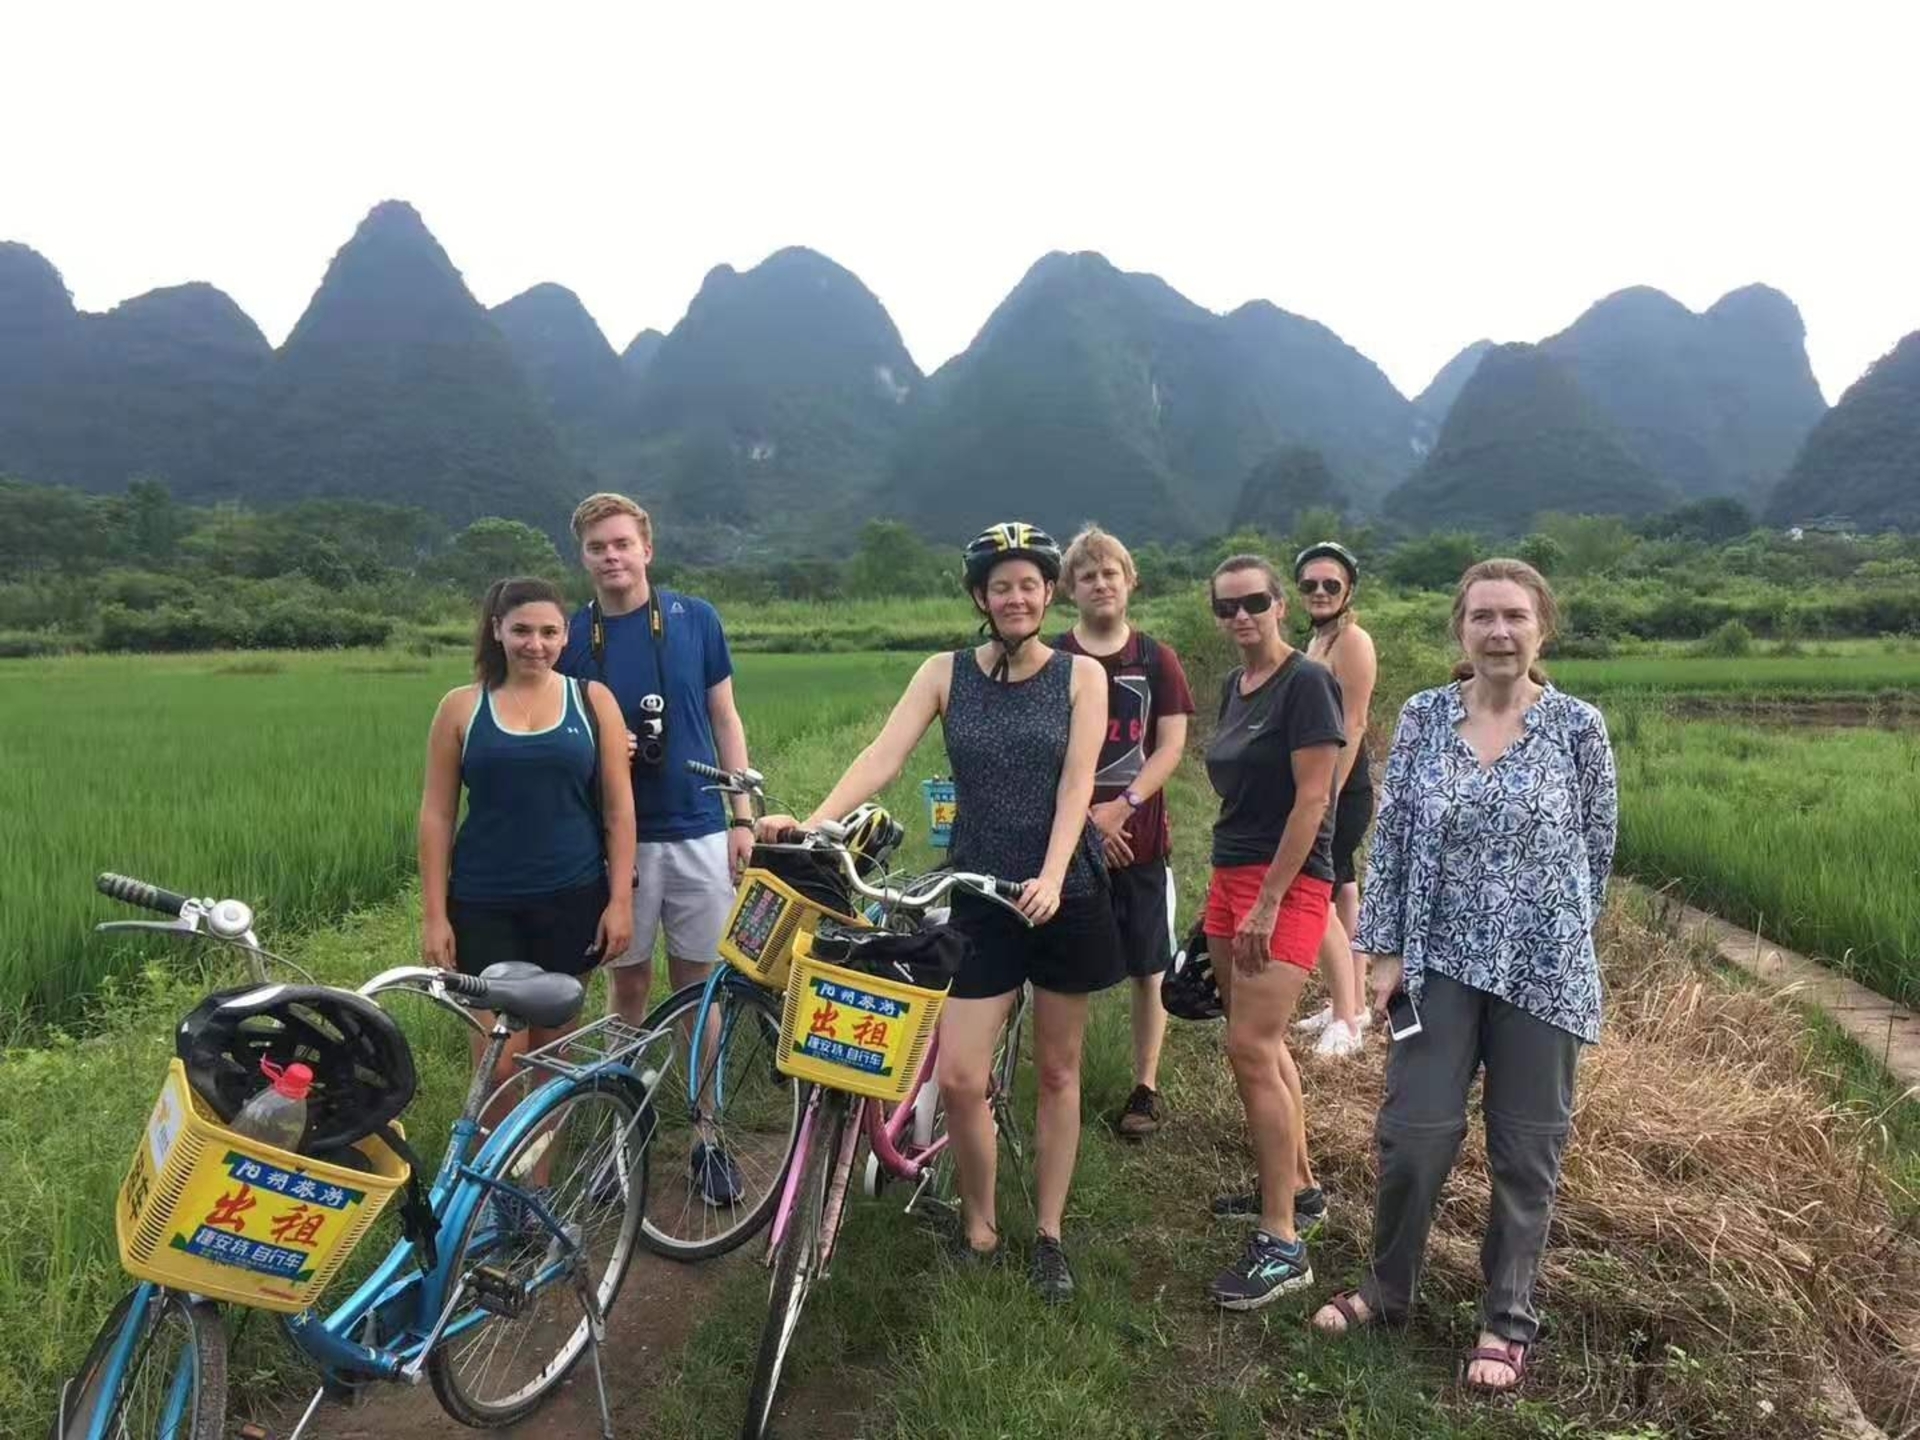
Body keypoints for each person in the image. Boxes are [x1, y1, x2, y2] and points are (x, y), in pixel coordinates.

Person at [756, 521, 1118, 1305]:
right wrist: (816, 823)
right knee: (958, 1076)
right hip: (981, 892)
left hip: (1064, 892)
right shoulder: (944, 673)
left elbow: (1076, 785)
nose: (1015, 598)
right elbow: (883, 757)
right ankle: (981, 1225)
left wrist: (1053, 874)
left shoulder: (1082, 677)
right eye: (1000, 586)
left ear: (1047, 593)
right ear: (980, 597)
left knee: (1059, 1069)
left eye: (1028, 584)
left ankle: (1049, 1234)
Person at [1310, 558, 1618, 1396]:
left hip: (1543, 970)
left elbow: (1596, 849)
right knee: (1415, 1134)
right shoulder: (1423, 717)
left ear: (1542, 628)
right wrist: (1383, 950)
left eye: (1515, 616)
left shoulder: (1579, 728)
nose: (1499, 632)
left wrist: (1553, 934)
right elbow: (1394, 837)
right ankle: (1387, 1288)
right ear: (1461, 628)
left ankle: (1506, 1319)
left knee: (1526, 1150)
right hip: (1436, 961)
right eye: (1483, 616)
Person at [555, 492, 755, 1207]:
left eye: (621, 543)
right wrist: (604, 750)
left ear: (647, 548)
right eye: (597, 547)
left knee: (699, 990)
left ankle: (709, 1137)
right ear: (583, 557)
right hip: (619, 842)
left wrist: (742, 815)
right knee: (628, 988)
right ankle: (619, 1140)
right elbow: (559, 736)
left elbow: (726, 717)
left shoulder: (697, 619)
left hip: (700, 828)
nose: (611, 556)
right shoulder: (570, 636)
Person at [418, 576, 636, 1118]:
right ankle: (491, 1174)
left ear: (565, 636)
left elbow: (619, 810)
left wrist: (620, 901)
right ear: (497, 630)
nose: (535, 644)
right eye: (521, 631)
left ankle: (539, 1171)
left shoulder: (592, 701)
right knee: (496, 1064)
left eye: (548, 632)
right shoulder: (461, 707)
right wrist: (435, 916)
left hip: (573, 897)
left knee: (552, 1059)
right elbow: (437, 815)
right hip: (483, 903)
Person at [1201, 555, 1345, 1311]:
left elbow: (1312, 800)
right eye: (1226, 607)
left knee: (1250, 1049)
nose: (1241, 617)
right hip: (1230, 873)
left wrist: (1268, 902)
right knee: (1260, 1041)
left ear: (1281, 605)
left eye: (1254, 602)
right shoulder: (1237, 685)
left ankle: (1282, 1242)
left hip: (1283, 884)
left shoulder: (1307, 683)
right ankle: (1299, 1188)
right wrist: (1230, 898)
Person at [1054, 525, 1195, 1140]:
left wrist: (1123, 808)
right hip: (1068, 841)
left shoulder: (1156, 658)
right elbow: (1043, 752)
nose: (1100, 584)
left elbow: (1170, 747)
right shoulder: (1054, 658)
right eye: (1087, 576)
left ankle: (1146, 1084)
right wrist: (1090, 821)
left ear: (1130, 581)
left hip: (1141, 841)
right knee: (1066, 968)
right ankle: (1063, 1079)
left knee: (1149, 965)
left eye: (1110, 573)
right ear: (1069, 589)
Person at [1288, 541, 1379, 1060]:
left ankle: (1346, 1020)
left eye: (1331, 584)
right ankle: (1353, 1003)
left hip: (1342, 786)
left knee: (1315, 889)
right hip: (1325, 785)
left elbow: (1355, 722)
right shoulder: (1318, 638)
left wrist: (1325, 795)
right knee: (1342, 888)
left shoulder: (1353, 640)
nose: (1319, 592)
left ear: (1349, 589)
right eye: (1309, 584)